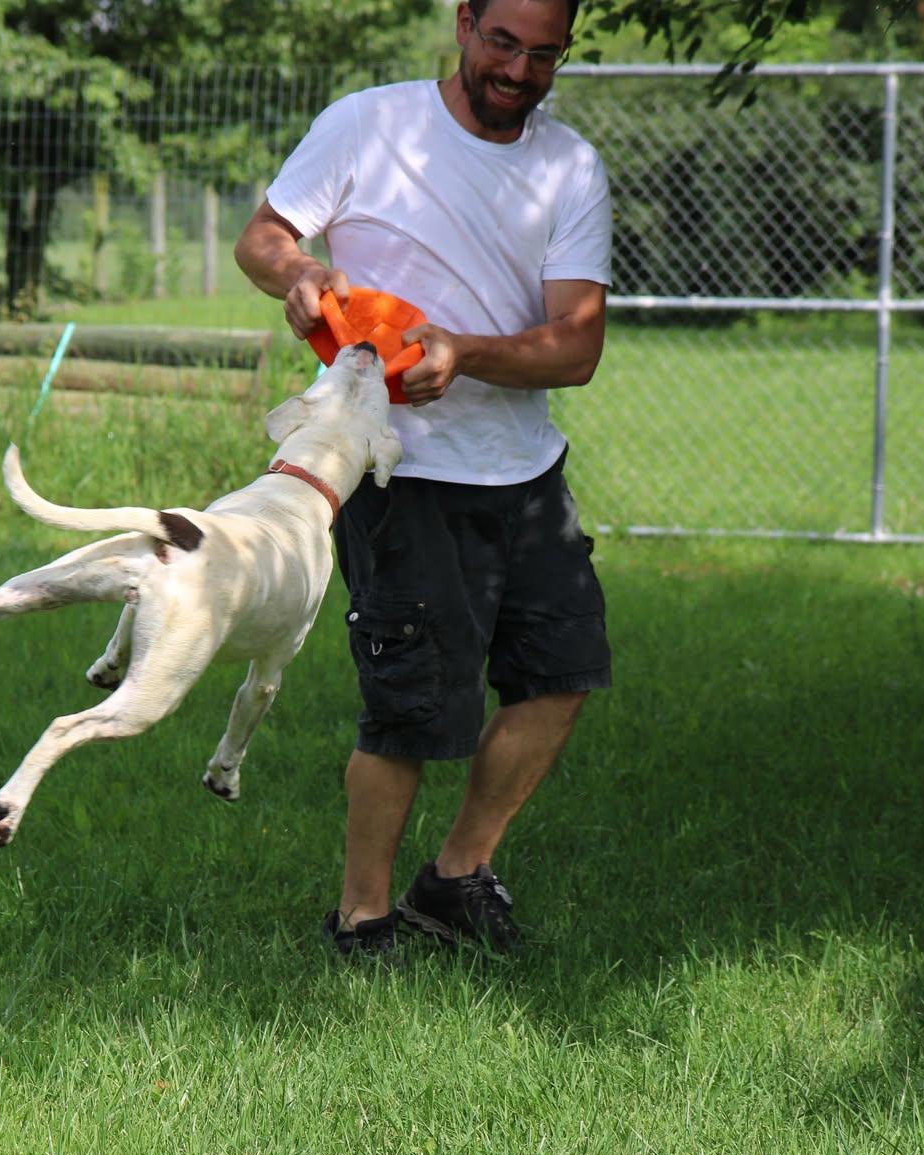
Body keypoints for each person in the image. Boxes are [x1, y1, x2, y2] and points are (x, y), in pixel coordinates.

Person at [234, 0, 611, 960]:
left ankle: (453, 878)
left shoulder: (569, 167)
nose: (518, 71)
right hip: (393, 464)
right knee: (410, 708)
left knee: (562, 673)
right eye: (503, 43)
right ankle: (361, 921)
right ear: (464, 22)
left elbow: (577, 346)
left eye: (543, 55)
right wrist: (298, 273)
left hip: (525, 470)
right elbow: (263, 236)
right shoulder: (370, 124)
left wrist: (466, 352)